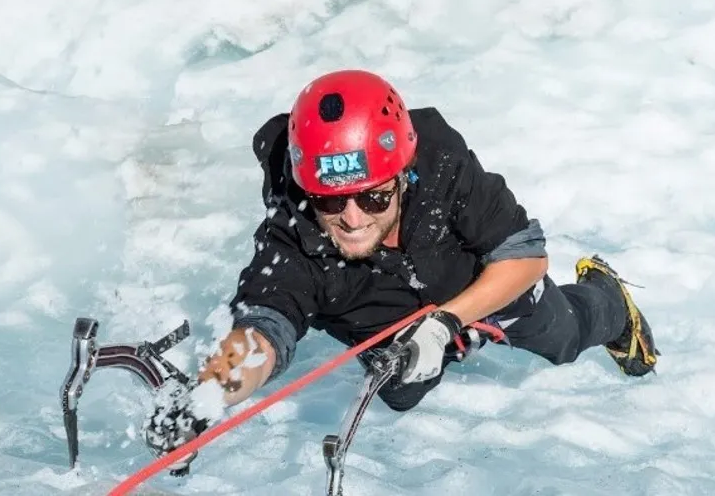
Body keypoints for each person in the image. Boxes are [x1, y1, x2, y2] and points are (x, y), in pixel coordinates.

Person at [143, 69, 659, 467]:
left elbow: (524, 255)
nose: (350, 218)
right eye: (330, 201)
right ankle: (450, 344)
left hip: (473, 279)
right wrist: (208, 393)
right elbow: (262, 331)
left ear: (402, 175)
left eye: (372, 197)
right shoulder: (292, 242)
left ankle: (609, 298)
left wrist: (447, 322)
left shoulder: (439, 166)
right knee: (402, 392)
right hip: (385, 317)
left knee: (562, 337)